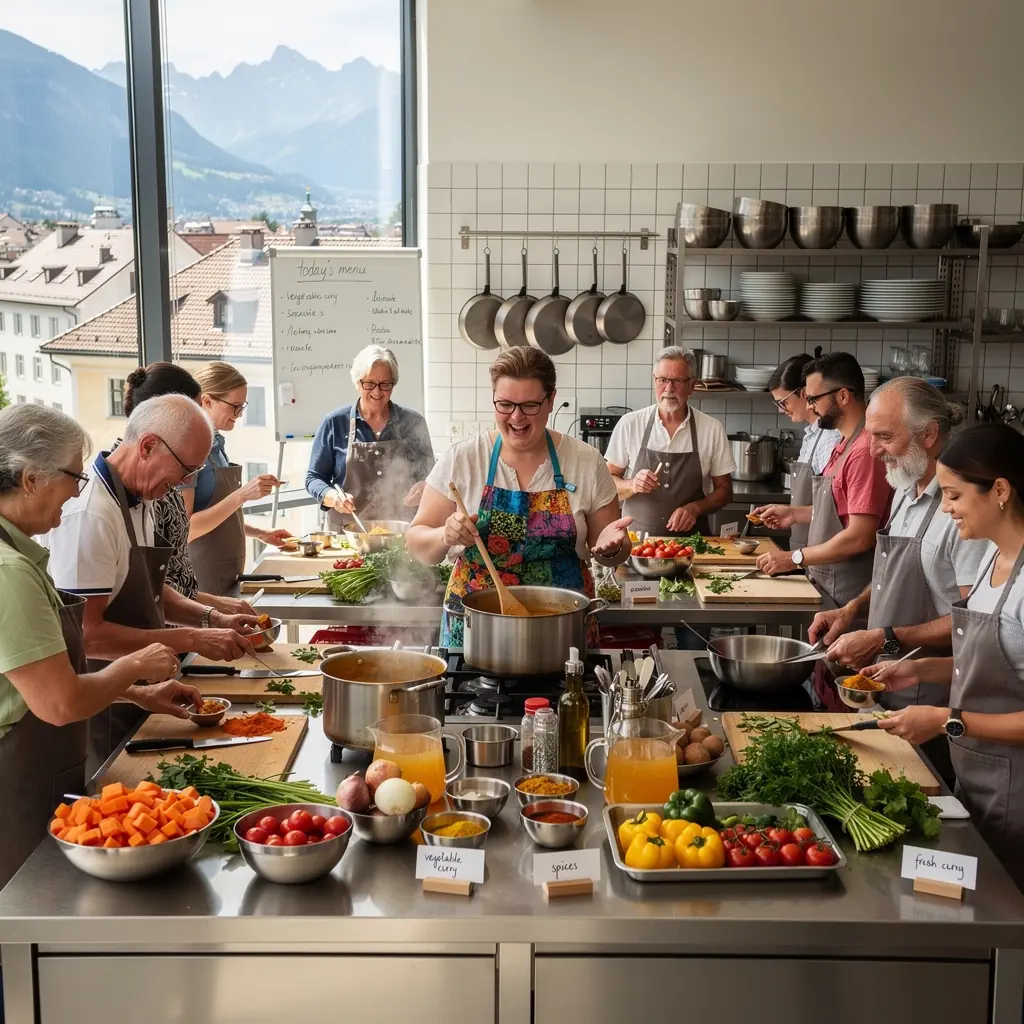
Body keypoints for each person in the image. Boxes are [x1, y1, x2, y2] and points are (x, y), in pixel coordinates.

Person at [0, 404, 199, 890]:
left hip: (40, 766)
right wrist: (136, 665)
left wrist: (139, 694)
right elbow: (60, 701)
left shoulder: (21, 556)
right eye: (73, 477)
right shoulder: (10, 572)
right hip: (16, 781)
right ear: (30, 479)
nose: (76, 492)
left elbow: (41, 678)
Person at [44, 394, 257, 765]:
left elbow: (146, 587)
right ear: (147, 446)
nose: (184, 483)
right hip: (100, 707)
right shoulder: (90, 516)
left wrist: (212, 618)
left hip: (142, 694)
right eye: (185, 469)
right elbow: (88, 636)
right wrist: (193, 638)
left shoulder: (141, 497)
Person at [867, 424, 1024, 889]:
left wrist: (946, 721)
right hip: (976, 778)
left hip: (1016, 793)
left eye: (953, 496)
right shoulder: (993, 559)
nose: (946, 507)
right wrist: (916, 669)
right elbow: (984, 669)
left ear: (1000, 491)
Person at [406, 347, 632, 648]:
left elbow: (613, 550)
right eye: (505, 404)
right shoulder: (463, 459)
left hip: (562, 624)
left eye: (529, 405)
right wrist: (444, 535)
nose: (516, 417)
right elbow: (416, 544)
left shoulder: (586, 462)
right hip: (476, 626)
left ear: (550, 400)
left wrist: (612, 548)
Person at [754, 351, 892, 618]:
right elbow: (839, 513)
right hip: (830, 584)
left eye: (814, 399)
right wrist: (794, 513)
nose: (810, 406)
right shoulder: (843, 443)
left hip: (849, 594)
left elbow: (860, 535)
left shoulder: (864, 452)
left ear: (843, 396)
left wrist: (794, 557)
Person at [121, 363, 256, 617]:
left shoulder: (157, 482)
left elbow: (160, 586)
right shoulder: (117, 501)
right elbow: (147, 590)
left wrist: (211, 610)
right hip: (196, 587)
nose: (185, 479)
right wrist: (209, 613)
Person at [184, 362, 292, 596]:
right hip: (202, 577)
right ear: (207, 401)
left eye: (242, 407)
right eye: (234, 407)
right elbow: (187, 529)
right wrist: (242, 495)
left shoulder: (217, 448)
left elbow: (221, 516)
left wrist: (260, 533)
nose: (240, 415)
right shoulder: (189, 451)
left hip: (228, 572)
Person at [606, 346, 735, 536]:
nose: (668, 389)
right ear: (654, 380)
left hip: (693, 543)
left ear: (692, 384)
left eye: (677, 381)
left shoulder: (711, 428)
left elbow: (725, 491)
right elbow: (607, 482)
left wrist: (696, 508)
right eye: (662, 380)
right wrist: (632, 484)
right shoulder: (630, 424)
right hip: (638, 543)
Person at [305, 344, 436, 532]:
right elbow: (314, 478)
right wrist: (333, 497)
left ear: (393, 384)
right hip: (347, 533)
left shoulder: (413, 423)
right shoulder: (334, 423)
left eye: (385, 384)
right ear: (357, 383)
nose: (377, 392)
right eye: (369, 383)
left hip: (401, 532)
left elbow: (434, 477)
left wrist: (425, 486)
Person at [767, 352, 841, 551]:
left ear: (805, 393)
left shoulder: (831, 438)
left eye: (783, 402)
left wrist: (792, 513)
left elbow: (835, 508)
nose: (781, 410)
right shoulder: (811, 435)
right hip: (805, 547)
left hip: (822, 549)